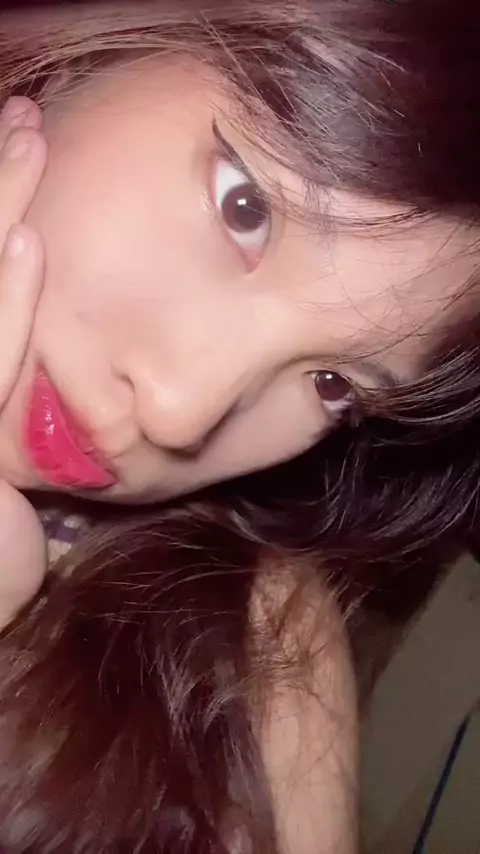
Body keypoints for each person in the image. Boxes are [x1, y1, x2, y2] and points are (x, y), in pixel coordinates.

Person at [0, 0, 478, 850]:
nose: (182, 410)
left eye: (332, 384)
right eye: (244, 206)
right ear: (106, 38)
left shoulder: (257, 658)